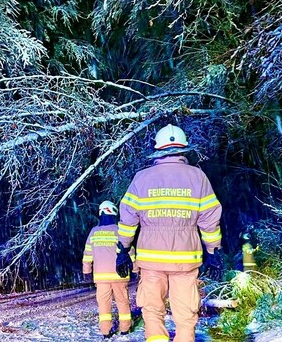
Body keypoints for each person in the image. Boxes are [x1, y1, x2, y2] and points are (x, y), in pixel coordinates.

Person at [115, 124, 223, 342]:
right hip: (186, 259)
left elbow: (128, 220)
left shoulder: (142, 178)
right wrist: (213, 252)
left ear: (157, 149)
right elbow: (210, 220)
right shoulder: (198, 177)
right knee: (186, 316)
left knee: (153, 312)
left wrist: (123, 250)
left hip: (151, 259)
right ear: (183, 149)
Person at [83, 200, 135, 338]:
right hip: (120, 275)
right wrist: (135, 270)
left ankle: (106, 331)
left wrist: (86, 271)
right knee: (122, 302)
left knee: (104, 305)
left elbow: (87, 254)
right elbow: (130, 252)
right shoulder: (119, 231)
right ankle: (125, 329)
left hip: (101, 277)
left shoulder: (94, 232)